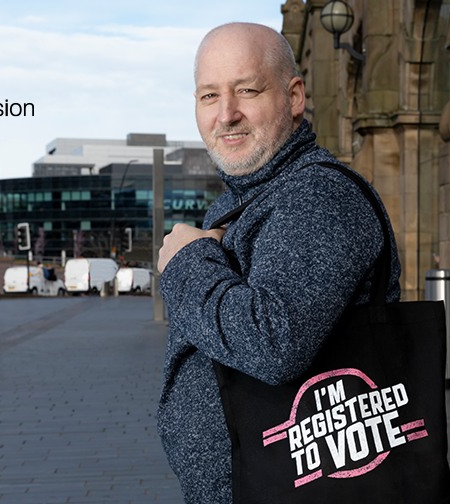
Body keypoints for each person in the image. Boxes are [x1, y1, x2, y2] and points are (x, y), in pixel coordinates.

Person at [156, 22, 401, 503]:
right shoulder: (251, 197)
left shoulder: (319, 195)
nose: (226, 114)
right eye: (209, 96)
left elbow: (273, 342)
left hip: (299, 488)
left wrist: (188, 260)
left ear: (293, 97)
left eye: (246, 90)